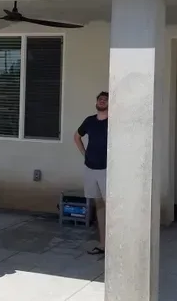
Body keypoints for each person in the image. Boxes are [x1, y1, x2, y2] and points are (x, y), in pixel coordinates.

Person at [74, 91, 109, 255]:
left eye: (105, 99)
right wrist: (84, 154)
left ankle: (116, 244)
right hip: (90, 168)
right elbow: (76, 137)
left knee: (112, 206)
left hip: (107, 169)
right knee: (99, 205)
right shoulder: (89, 121)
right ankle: (103, 244)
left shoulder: (114, 122)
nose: (102, 101)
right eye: (100, 99)